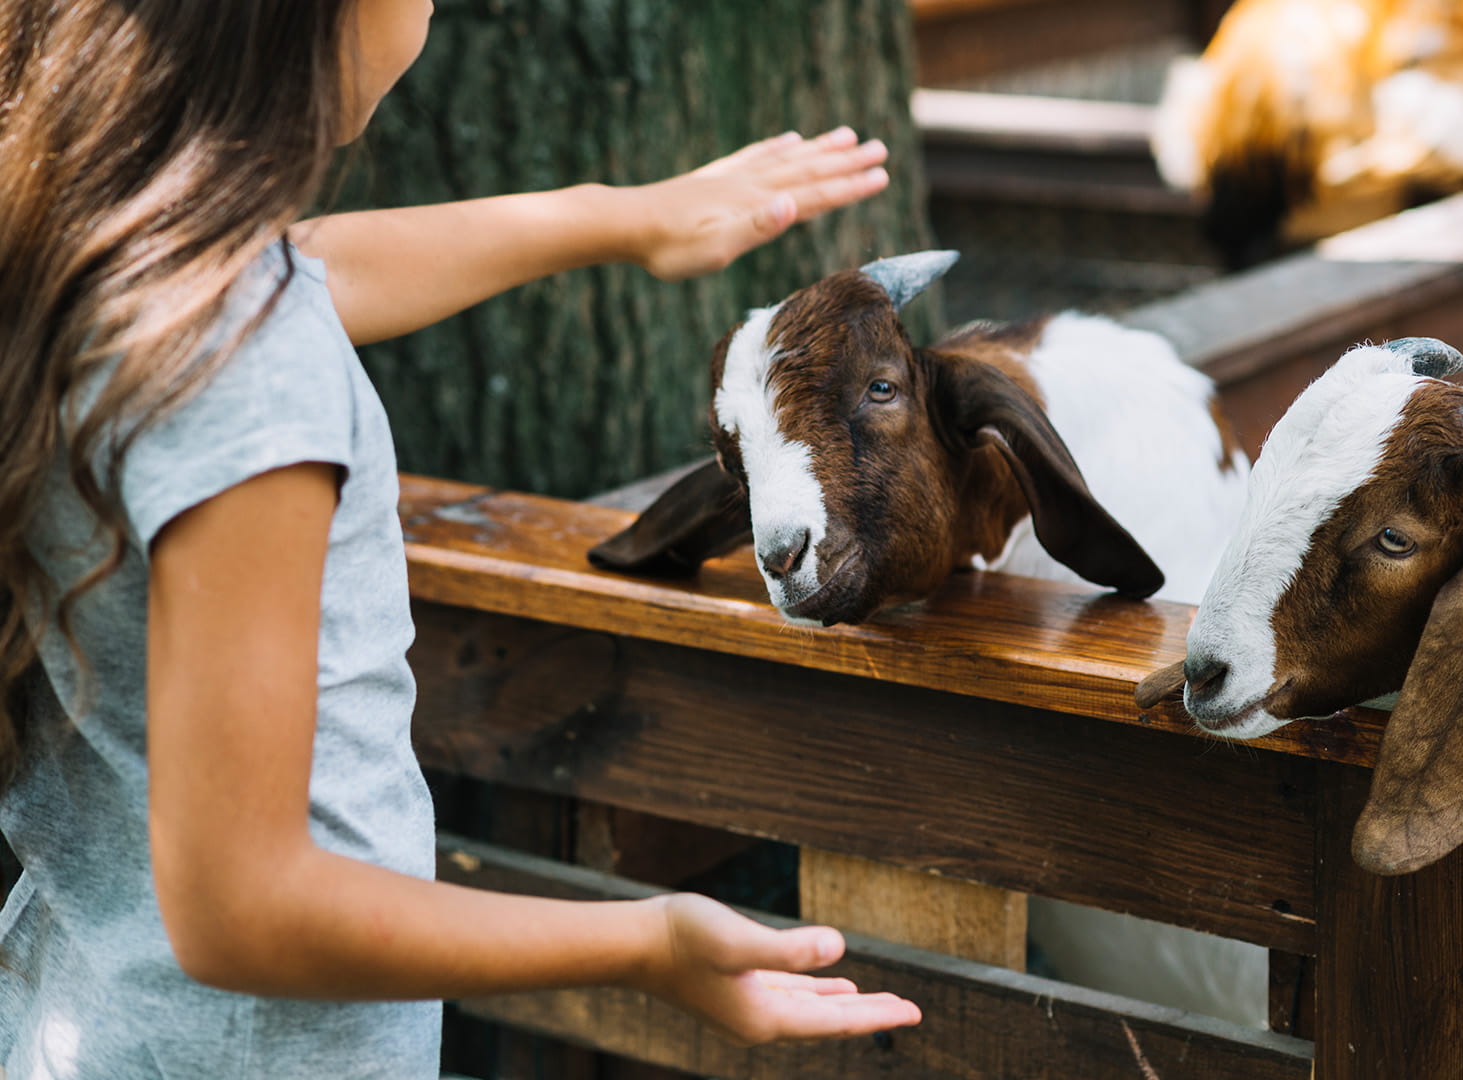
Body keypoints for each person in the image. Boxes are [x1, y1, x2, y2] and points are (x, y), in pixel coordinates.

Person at [0, 2, 922, 1077]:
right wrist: (646, 945)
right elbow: (241, 908)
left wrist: (624, 218)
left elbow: (314, 271)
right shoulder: (248, 371)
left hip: (91, 1013)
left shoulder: (84, 248)